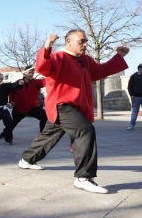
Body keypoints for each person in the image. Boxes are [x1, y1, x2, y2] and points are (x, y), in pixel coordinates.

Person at [18, 29, 129, 194]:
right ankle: (83, 178)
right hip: (62, 105)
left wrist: (118, 57)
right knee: (85, 131)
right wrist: (47, 45)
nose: (85, 45)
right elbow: (42, 67)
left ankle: (26, 160)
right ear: (69, 41)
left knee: (49, 134)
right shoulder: (58, 57)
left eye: (86, 41)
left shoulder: (85, 60)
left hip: (75, 108)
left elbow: (100, 71)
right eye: (81, 41)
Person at [0, 69, 47, 139]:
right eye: (29, 72)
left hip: (33, 107)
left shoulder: (36, 82)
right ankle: (5, 132)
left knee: (45, 116)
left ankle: (43, 134)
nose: (31, 74)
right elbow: (12, 92)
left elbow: (46, 81)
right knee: (12, 123)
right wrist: (11, 101)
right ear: (24, 73)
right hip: (19, 108)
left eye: (32, 73)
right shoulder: (18, 82)